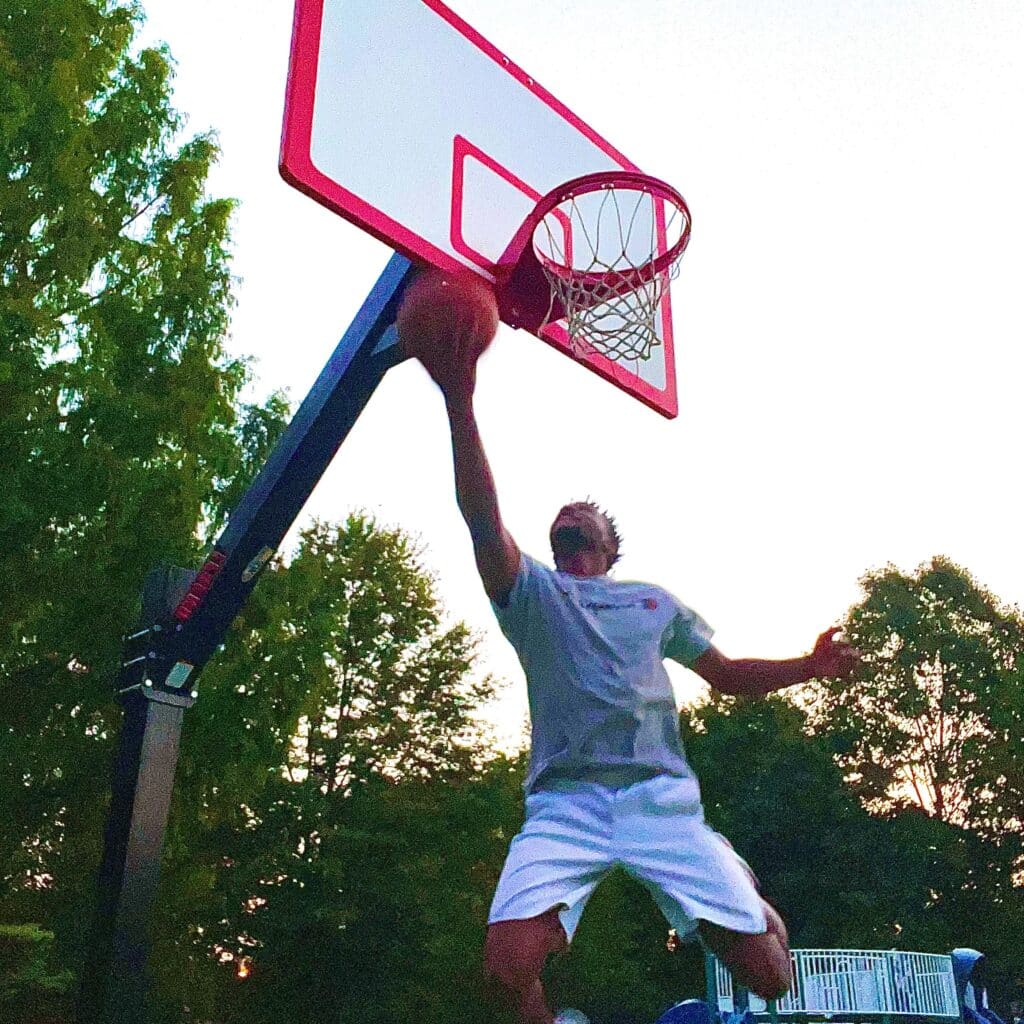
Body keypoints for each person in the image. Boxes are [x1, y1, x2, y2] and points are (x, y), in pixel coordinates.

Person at [404, 280, 859, 1024]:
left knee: (771, 979)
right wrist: (460, 399)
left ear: (609, 547)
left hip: (660, 801)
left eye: (583, 519)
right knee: (504, 974)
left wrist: (806, 668)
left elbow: (727, 674)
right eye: (561, 520)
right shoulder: (534, 593)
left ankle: (735, 879)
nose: (569, 520)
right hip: (566, 803)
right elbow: (481, 517)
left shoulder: (653, 602)